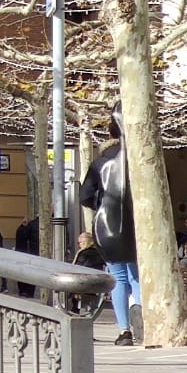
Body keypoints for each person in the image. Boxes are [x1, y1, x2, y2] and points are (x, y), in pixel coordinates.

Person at [79, 117, 139, 344]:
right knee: (136, 274)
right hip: (135, 225)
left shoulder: (100, 162)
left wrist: (100, 204)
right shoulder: (138, 158)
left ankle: (124, 330)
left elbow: (84, 196)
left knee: (118, 276)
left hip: (107, 225)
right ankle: (141, 310)